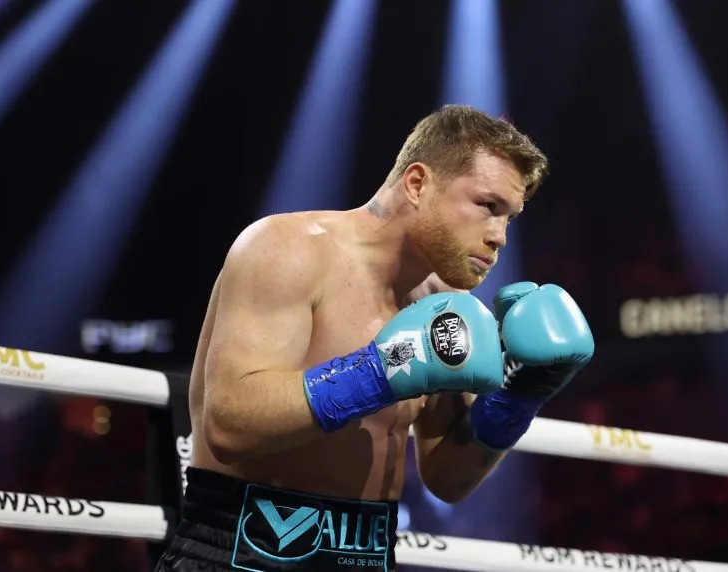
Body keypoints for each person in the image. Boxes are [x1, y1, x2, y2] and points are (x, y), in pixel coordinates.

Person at [153, 104, 594, 572]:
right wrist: (380, 371)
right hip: (243, 549)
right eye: (488, 206)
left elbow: (448, 478)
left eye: (510, 218)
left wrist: (519, 396)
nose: (500, 236)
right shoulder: (288, 249)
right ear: (418, 183)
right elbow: (228, 426)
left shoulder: (447, 304)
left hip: (366, 555)